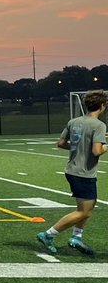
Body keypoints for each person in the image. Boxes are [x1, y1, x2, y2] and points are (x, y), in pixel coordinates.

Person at [37, 89, 107, 257]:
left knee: (85, 207)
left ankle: (77, 237)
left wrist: (78, 148)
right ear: (102, 106)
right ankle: (48, 234)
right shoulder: (99, 125)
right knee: (84, 211)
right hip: (83, 173)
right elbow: (97, 151)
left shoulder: (74, 121)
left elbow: (61, 143)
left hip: (73, 170)